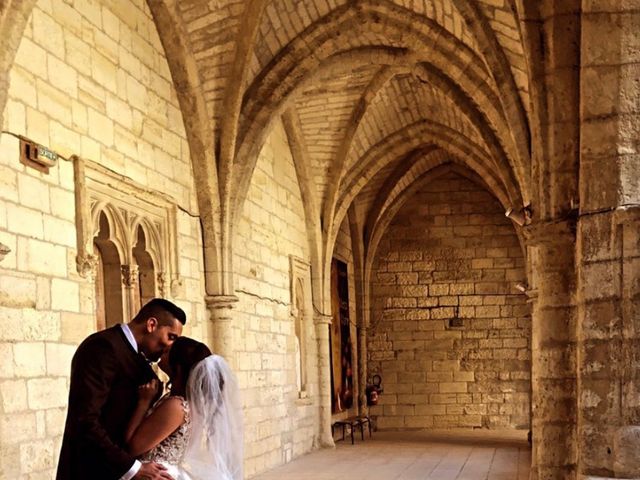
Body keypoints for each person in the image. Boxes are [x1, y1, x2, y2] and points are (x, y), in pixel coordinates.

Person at [56, 298, 186, 480]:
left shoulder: (143, 366)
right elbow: (85, 420)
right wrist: (133, 468)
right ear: (151, 324)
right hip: (90, 472)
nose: (170, 346)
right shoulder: (102, 347)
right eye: (170, 336)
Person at [125, 337, 243, 480]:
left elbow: (133, 447)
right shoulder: (188, 403)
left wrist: (144, 402)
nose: (162, 352)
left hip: (154, 474)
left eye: (168, 352)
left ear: (179, 367)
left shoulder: (176, 406)